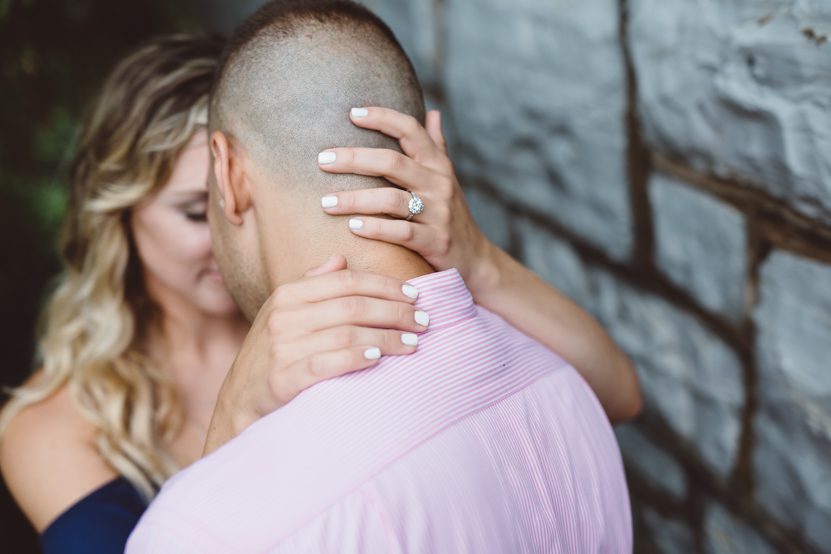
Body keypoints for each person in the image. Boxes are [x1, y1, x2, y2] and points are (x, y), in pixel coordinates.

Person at [127, 2, 633, 552]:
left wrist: (226, 431)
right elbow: (620, 393)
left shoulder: (200, 525)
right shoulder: (563, 384)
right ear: (424, 146)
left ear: (226, 171)